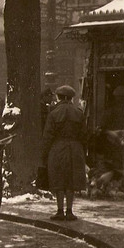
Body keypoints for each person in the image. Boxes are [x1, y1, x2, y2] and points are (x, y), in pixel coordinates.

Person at [41, 84, 87, 221]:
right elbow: (84, 135)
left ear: (60, 97)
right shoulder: (79, 113)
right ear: (71, 98)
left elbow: (48, 135)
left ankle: (60, 210)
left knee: (59, 179)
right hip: (75, 148)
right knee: (71, 180)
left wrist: (44, 153)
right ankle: (70, 211)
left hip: (58, 148)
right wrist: (83, 150)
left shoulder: (53, 113)